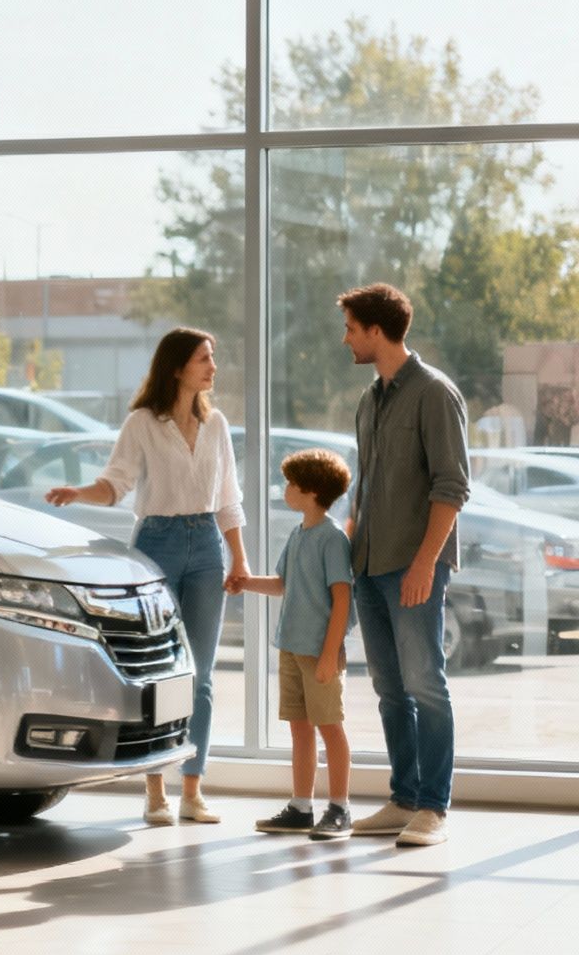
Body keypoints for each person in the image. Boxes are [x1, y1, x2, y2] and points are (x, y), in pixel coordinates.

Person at [49, 328, 247, 826]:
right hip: (157, 545)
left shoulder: (217, 424)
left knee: (200, 675)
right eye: (204, 359)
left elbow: (228, 498)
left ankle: (193, 790)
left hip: (206, 546)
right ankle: (155, 790)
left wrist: (239, 559)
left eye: (212, 358)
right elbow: (115, 485)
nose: (213, 367)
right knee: (159, 671)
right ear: (177, 368)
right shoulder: (142, 422)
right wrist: (79, 493)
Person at [339, 283, 469, 847]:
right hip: (368, 566)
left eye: (351, 328)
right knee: (390, 688)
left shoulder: (434, 393)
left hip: (414, 566)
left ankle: (434, 807)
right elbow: (365, 489)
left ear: (376, 330)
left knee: (425, 684)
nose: (345, 338)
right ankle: (404, 798)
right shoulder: (369, 400)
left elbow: (451, 488)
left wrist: (424, 565)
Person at [238, 449, 357, 840]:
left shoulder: (332, 539)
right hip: (290, 647)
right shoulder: (298, 533)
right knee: (300, 729)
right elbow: (282, 584)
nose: (285, 489)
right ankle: (301, 807)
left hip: (318, 653)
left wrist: (329, 654)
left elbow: (342, 598)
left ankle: (339, 808)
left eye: (291, 484)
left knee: (330, 728)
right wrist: (245, 583)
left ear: (311, 491)